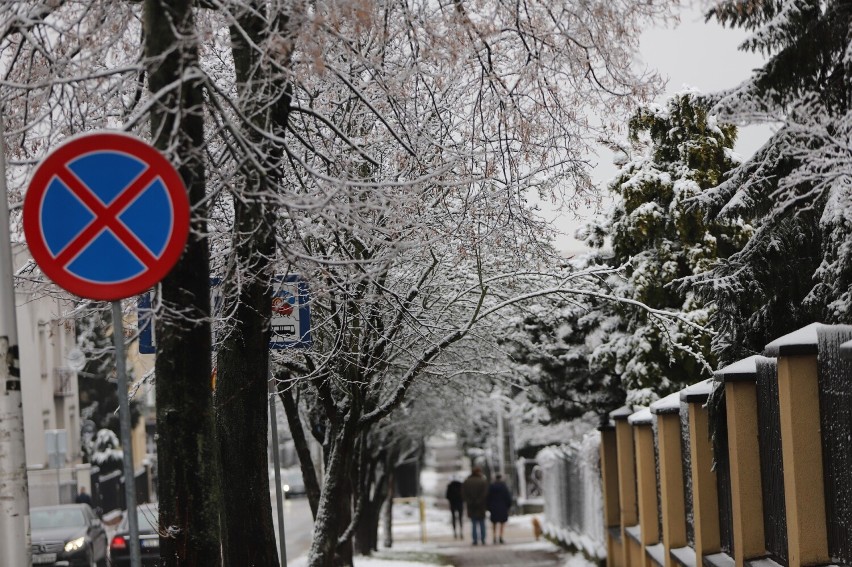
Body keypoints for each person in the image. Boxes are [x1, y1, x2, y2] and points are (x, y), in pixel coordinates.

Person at [461, 466, 488, 545]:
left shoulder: (467, 481)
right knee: (482, 523)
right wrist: (479, 501)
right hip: (481, 506)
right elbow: (485, 493)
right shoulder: (482, 481)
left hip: (471, 505)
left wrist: (470, 501)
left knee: (473, 524)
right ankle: (483, 539)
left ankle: (475, 539)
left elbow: (463, 494)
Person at [487, 474, 512, 544]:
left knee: (494, 523)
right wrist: (508, 506)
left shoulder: (491, 487)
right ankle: (500, 537)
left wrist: (488, 507)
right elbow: (508, 497)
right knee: (502, 523)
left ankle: (494, 536)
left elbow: (488, 497)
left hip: (494, 507)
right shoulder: (504, 487)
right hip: (502, 507)